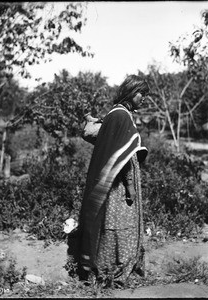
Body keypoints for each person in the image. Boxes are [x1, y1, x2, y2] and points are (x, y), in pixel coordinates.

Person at [78, 74, 150, 287]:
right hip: (119, 181)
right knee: (121, 223)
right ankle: (115, 270)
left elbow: (103, 139)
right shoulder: (121, 116)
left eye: (145, 94)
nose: (143, 98)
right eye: (140, 93)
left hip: (112, 178)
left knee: (111, 222)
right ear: (130, 92)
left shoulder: (115, 113)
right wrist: (130, 186)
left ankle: (107, 267)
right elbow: (123, 155)